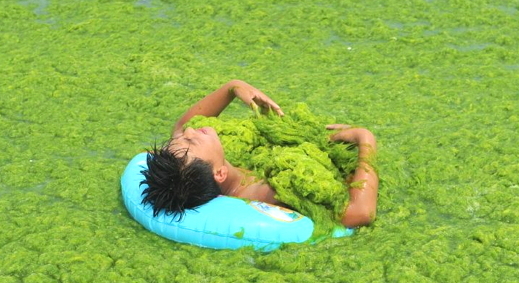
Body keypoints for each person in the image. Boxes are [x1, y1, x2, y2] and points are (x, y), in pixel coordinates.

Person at [141, 80, 378, 228]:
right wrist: (365, 140)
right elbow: (359, 213)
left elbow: (180, 127)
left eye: (182, 139)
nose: (190, 130)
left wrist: (233, 88)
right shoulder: (269, 193)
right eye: (191, 141)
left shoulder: (201, 166)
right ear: (220, 173)